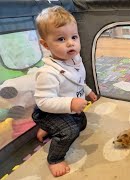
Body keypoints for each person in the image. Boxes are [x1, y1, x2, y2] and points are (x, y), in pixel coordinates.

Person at [32, 6, 97, 177]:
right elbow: (43, 102)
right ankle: (55, 158)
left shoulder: (74, 59)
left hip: (68, 109)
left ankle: (50, 129)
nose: (70, 43)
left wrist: (88, 91)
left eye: (74, 37)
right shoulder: (47, 73)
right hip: (47, 112)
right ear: (45, 44)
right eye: (61, 39)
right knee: (70, 131)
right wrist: (70, 103)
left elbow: (78, 81)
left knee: (81, 124)